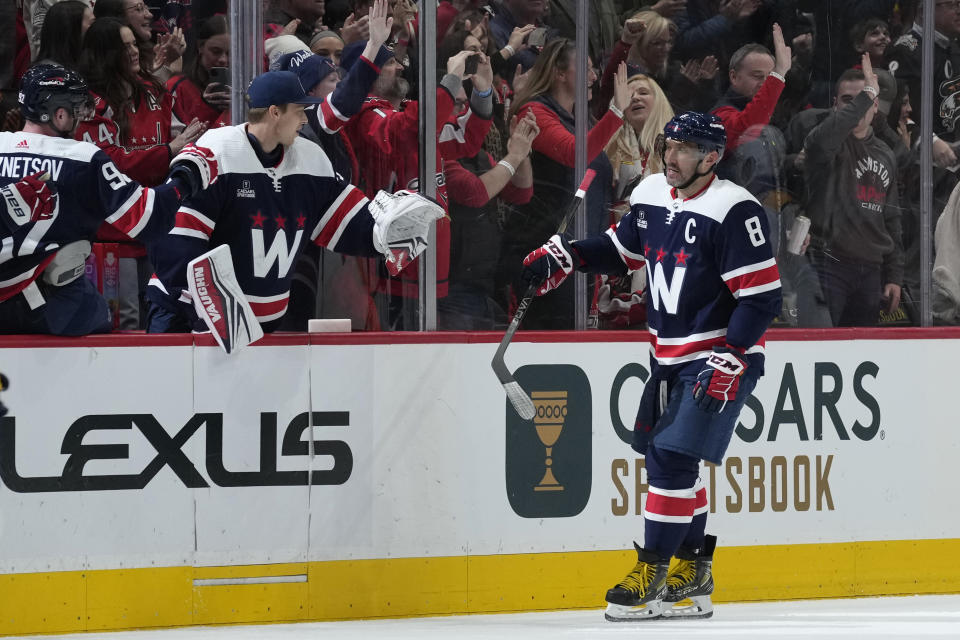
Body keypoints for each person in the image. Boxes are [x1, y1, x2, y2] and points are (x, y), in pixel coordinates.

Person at [519, 111, 781, 621]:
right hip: (666, 355)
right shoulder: (650, 194)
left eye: (683, 150)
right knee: (675, 461)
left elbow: (762, 297)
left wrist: (733, 356)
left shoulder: (734, 209)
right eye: (668, 147)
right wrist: (568, 256)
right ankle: (694, 571)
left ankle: (653, 572)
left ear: (711, 157)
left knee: (670, 458)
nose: (671, 158)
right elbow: (621, 251)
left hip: (717, 355)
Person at [144, 70, 443, 333]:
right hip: (184, 316)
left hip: (256, 328)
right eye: (299, 110)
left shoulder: (309, 158)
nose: (304, 118)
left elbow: (345, 220)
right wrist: (208, 313)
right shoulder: (218, 152)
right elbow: (178, 241)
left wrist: (385, 231)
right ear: (275, 113)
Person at [0, 63, 216, 335]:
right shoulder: (84, 158)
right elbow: (150, 218)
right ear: (59, 113)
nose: (80, 118)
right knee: (102, 317)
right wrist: (186, 176)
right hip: (54, 308)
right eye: (76, 109)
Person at [342, 40, 493, 329]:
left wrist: (483, 88)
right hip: (393, 267)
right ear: (365, 71)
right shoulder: (364, 118)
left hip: (431, 262)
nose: (399, 67)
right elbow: (404, 130)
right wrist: (448, 82)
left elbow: (465, 138)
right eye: (388, 62)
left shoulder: (413, 115)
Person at [499, 38, 629, 329]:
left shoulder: (576, 119)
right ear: (559, 73)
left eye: (594, 70)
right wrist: (617, 113)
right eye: (585, 69)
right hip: (544, 251)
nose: (593, 77)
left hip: (578, 253)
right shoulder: (533, 111)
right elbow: (574, 154)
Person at [803, 57, 903, 327]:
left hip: (871, 269)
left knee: (861, 350)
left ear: (875, 108)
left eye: (864, 100)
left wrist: (894, 275)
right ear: (835, 104)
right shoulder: (822, 142)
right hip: (828, 265)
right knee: (822, 347)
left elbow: (891, 219)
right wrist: (867, 94)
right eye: (848, 100)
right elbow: (825, 138)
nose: (856, 108)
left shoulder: (886, 153)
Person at [166, 15, 231, 130]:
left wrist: (239, 105)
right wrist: (205, 108)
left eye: (230, 53)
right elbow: (174, 139)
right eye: (216, 51)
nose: (223, 60)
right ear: (200, 47)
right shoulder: (177, 87)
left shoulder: (245, 86)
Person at [34, 0, 95, 69]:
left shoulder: (83, 65)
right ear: (73, 31)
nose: (96, 27)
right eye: (92, 23)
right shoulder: (52, 76)